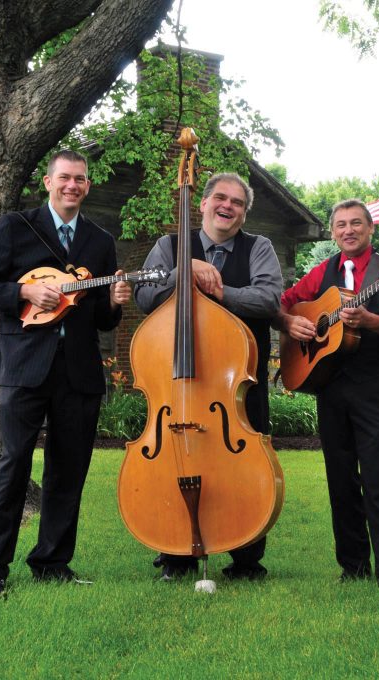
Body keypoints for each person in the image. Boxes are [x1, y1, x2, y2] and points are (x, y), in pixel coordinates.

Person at [0, 149, 132, 596]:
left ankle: (52, 562)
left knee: (69, 470)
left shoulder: (99, 240)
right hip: (23, 366)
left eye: (80, 179)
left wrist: (114, 302)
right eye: (65, 178)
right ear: (48, 181)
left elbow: (102, 319)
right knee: (14, 464)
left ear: (88, 186)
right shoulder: (16, 227)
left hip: (78, 371)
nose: (72, 185)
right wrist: (23, 290)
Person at [134, 172, 283, 581]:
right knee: (173, 459)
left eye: (237, 202)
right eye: (220, 197)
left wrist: (220, 291)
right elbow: (144, 296)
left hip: (236, 383)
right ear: (201, 203)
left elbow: (270, 299)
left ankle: (246, 557)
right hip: (177, 385)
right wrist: (185, 270)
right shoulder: (169, 246)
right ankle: (175, 553)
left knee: (245, 464)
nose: (228, 206)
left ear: (244, 213)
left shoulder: (259, 247)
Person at [275, 199, 379, 587]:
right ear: (333, 231)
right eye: (340, 225)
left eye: (356, 223)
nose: (348, 230)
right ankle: (353, 566)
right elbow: (287, 302)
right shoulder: (322, 272)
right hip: (330, 386)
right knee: (340, 479)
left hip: (374, 388)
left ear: (370, 229)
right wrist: (291, 324)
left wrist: (371, 320)